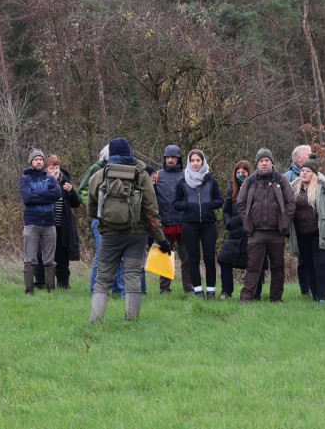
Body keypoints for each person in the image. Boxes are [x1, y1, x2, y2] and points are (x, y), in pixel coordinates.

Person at [88, 138, 172, 322]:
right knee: (132, 276)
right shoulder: (141, 175)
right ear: (128, 153)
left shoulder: (100, 175)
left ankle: (94, 321)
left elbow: (92, 208)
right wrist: (161, 239)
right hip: (136, 234)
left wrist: (104, 222)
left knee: (103, 278)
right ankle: (131, 320)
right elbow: (152, 210)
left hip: (109, 235)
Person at [237, 148, 295, 303]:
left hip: (277, 232)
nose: (264, 163)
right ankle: (246, 298)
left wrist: (285, 220)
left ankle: (276, 298)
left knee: (278, 267)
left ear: (272, 162)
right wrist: (247, 221)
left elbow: (291, 203)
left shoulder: (281, 180)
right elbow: (240, 203)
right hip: (256, 233)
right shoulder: (250, 181)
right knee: (253, 267)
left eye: (266, 160)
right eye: (261, 161)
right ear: (257, 164)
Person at [289, 154, 325, 303]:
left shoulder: (323, 186)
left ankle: (323, 297)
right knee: (309, 266)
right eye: (302, 170)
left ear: (314, 173)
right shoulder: (293, 187)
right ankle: (315, 296)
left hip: (320, 233)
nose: (304, 173)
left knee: (322, 265)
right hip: (301, 235)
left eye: (308, 171)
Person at [173, 149, 223, 298]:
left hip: (208, 224)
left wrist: (209, 205)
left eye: (198, 160)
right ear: (189, 162)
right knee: (192, 259)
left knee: (209, 259)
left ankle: (211, 292)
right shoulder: (182, 181)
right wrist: (189, 206)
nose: (195, 163)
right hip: (189, 225)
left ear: (203, 161)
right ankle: (198, 291)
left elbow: (220, 200)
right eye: (192, 160)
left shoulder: (211, 180)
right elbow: (175, 203)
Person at [79, 145, 125, 296]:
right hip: (99, 219)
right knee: (101, 255)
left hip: (117, 219)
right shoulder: (96, 168)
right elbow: (83, 190)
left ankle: (118, 290)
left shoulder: (124, 170)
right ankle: (95, 290)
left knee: (119, 255)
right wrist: (95, 206)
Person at [217, 161, 267, 299]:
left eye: (243, 172)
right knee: (224, 260)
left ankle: (255, 294)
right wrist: (228, 222)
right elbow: (226, 211)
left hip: (252, 234)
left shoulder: (257, 188)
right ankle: (226, 291)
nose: (240, 174)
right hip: (235, 234)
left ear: (249, 173)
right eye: (238, 172)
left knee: (258, 263)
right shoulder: (231, 191)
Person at [32, 155, 81, 289]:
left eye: (57, 167)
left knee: (62, 258)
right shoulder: (40, 181)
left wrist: (71, 192)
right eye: (51, 168)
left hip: (62, 227)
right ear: (46, 169)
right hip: (46, 226)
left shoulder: (65, 182)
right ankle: (41, 284)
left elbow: (76, 204)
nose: (54, 170)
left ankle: (63, 285)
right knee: (43, 256)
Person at [152, 145, 193, 295]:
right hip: (164, 222)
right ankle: (164, 289)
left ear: (179, 159)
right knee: (164, 258)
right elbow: (151, 199)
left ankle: (188, 288)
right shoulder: (157, 176)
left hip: (184, 222)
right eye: (168, 157)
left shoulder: (187, 175)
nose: (170, 160)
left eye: (173, 157)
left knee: (187, 258)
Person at [19, 148, 62, 294]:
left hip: (49, 222)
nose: (39, 161)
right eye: (36, 159)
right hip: (32, 222)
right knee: (30, 258)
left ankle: (51, 289)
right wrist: (46, 195)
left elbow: (56, 194)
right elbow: (28, 198)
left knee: (49, 259)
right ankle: (29, 291)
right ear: (31, 161)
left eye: (41, 159)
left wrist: (37, 194)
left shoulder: (50, 178)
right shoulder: (25, 179)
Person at [284, 144, 312, 296]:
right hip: (297, 226)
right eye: (309, 155)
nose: (313, 158)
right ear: (300, 159)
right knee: (302, 259)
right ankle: (305, 290)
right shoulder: (287, 178)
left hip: (313, 225)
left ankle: (316, 288)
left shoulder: (315, 175)